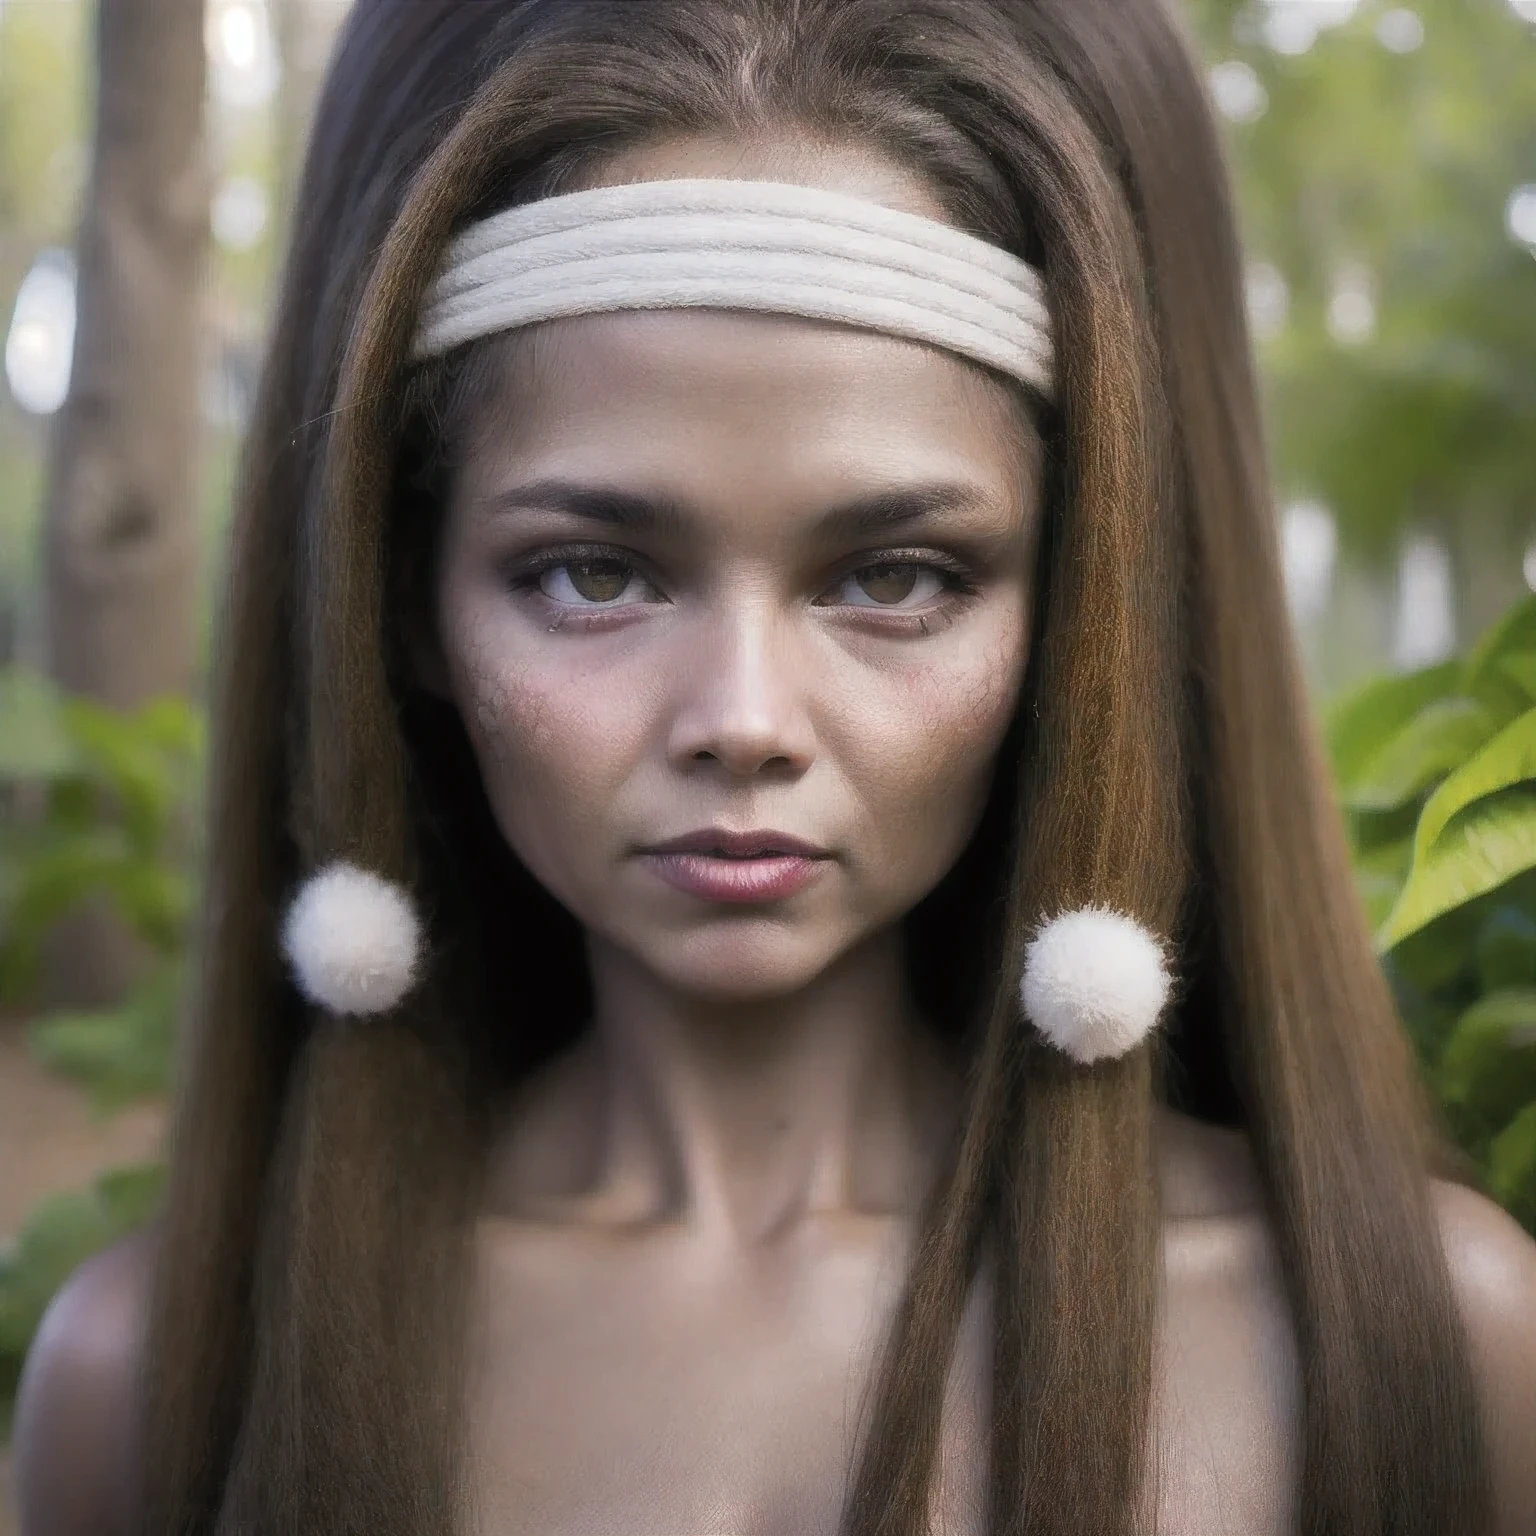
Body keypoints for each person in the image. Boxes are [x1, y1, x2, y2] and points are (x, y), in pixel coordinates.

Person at [13, 1, 1536, 1533]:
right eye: (594, 576)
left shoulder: (1410, 1345)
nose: (742, 716)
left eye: (896, 575)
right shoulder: (156, 1386)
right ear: (406, 602)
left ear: (1075, 614)